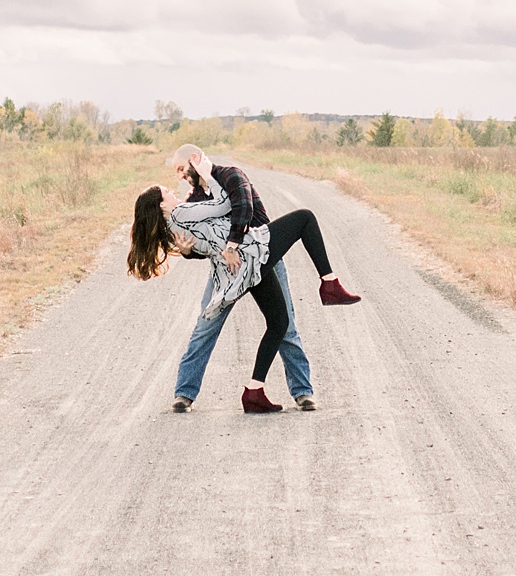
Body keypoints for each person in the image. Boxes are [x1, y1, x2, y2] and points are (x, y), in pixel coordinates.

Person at [126, 147, 361, 414]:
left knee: (286, 326)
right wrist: (189, 251)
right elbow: (203, 244)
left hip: (260, 254)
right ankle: (185, 394)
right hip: (228, 267)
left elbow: (243, 208)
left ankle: (302, 392)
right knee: (207, 327)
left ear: (194, 161)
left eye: (181, 169)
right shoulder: (191, 201)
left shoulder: (230, 175)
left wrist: (232, 245)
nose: (179, 178)